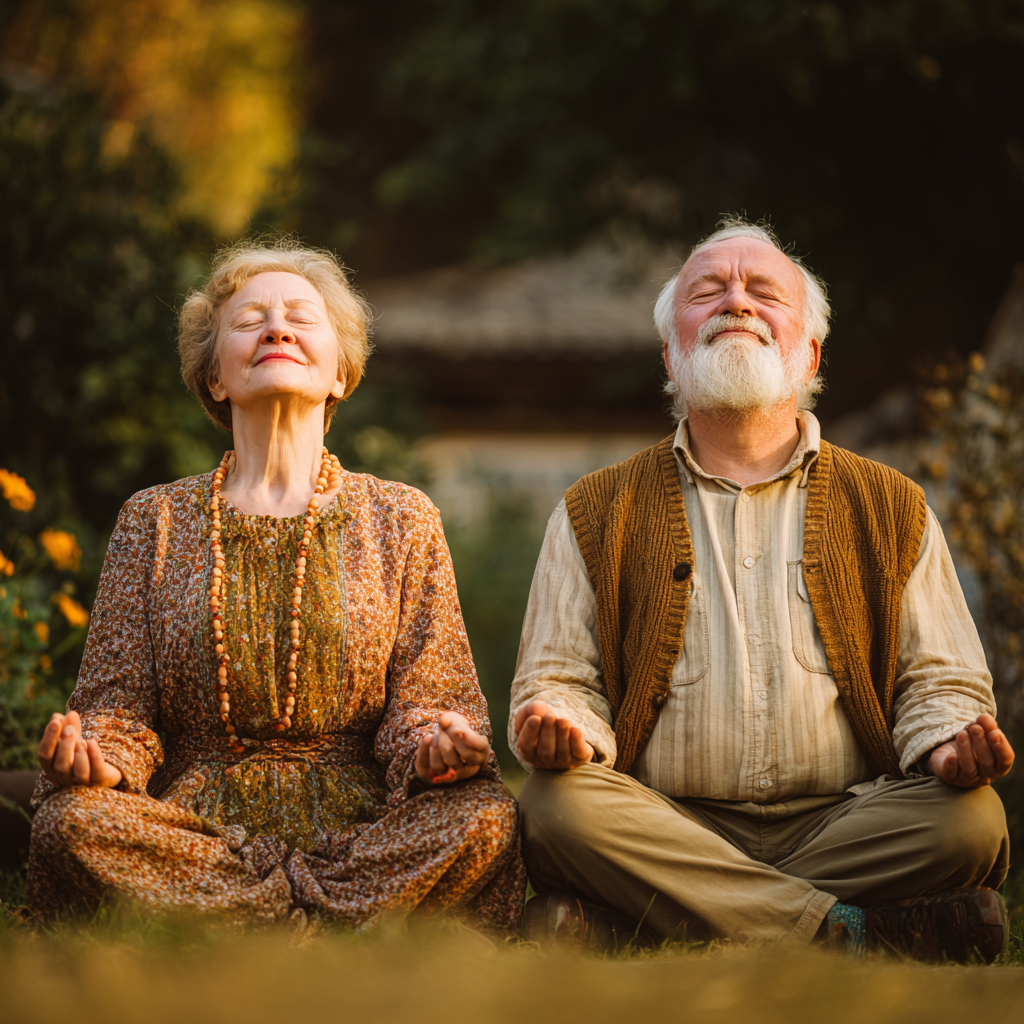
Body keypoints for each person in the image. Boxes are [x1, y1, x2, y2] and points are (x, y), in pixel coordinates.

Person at [509, 217, 1013, 961]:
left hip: (846, 824)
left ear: (809, 350)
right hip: (663, 821)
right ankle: (844, 933)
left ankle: (652, 917)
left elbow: (940, 680)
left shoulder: (891, 505)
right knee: (555, 808)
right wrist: (564, 724)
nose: (735, 303)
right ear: (671, 356)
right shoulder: (596, 508)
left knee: (971, 824)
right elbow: (558, 676)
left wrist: (945, 742)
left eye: (763, 292)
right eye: (707, 292)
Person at [28, 238, 524, 931]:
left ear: (341, 375)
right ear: (215, 379)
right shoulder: (154, 518)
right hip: (193, 831)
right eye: (250, 319)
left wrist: (437, 747)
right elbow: (117, 710)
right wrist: (97, 760)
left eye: (299, 316)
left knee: (484, 818)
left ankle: (234, 925)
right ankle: (334, 928)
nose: (277, 327)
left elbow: (432, 701)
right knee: (70, 821)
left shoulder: (401, 516)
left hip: (364, 830)